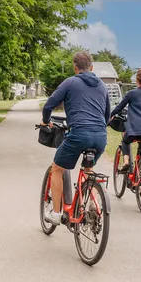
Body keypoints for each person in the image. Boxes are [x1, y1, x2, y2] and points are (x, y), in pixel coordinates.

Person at [40, 51, 110, 225]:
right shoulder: (102, 86)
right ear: (92, 67)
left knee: (57, 169)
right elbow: (107, 115)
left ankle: (56, 213)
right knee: (88, 170)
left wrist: (46, 121)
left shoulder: (70, 82)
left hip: (79, 134)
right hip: (100, 136)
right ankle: (93, 202)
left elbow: (49, 104)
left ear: (75, 67)